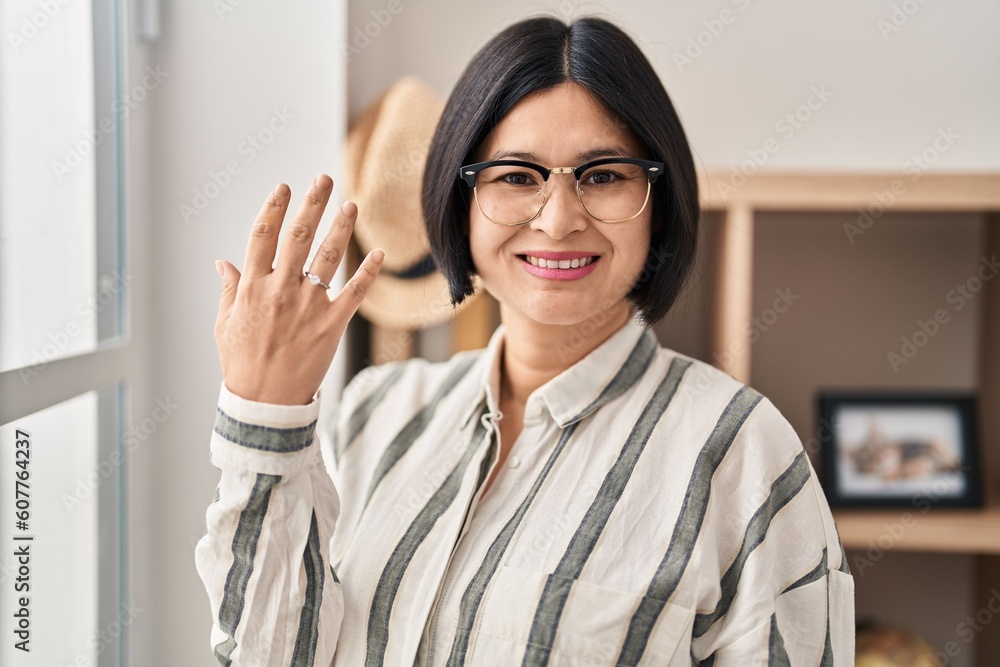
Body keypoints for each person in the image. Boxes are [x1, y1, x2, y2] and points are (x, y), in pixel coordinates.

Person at [195, 15, 855, 667]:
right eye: (516, 175)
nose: (560, 218)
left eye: (603, 175)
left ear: (658, 200)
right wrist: (265, 416)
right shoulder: (375, 411)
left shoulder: (743, 453)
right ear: (462, 199)